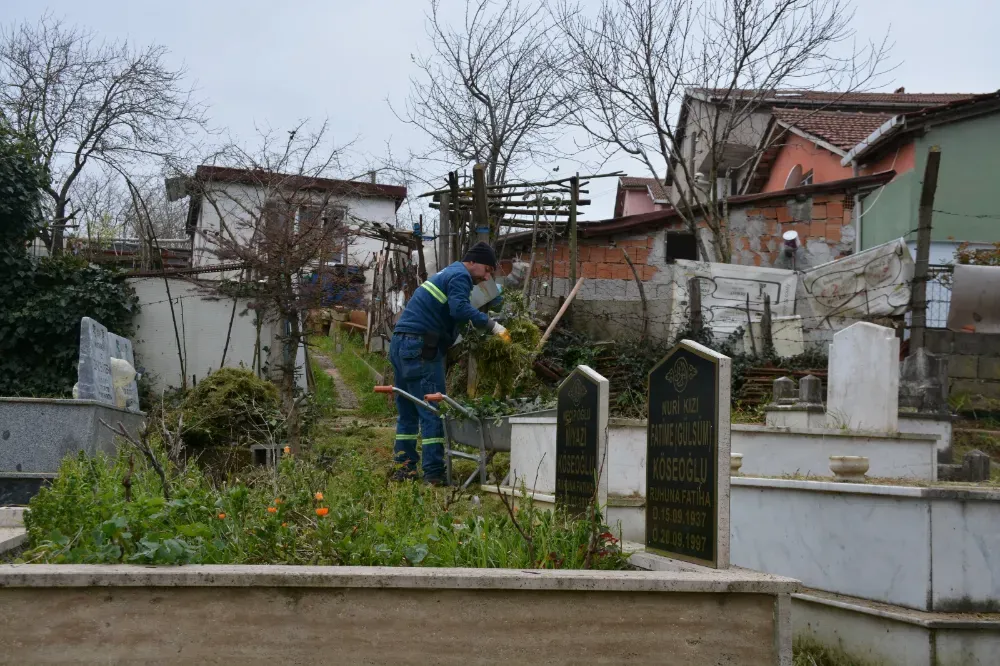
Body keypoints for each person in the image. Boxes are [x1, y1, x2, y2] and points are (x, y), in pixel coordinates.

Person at [389, 242, 511, 484]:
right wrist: (492, 326)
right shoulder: (460, 276)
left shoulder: (447, 273)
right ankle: (434, 473)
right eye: (486, 270)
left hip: (401, 344)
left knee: (408, 411)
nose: (486, 277)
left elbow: (451, 314)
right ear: (472, 262)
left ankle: (405, 468)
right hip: (421, 347)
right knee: (433, 409)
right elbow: (460, 310)